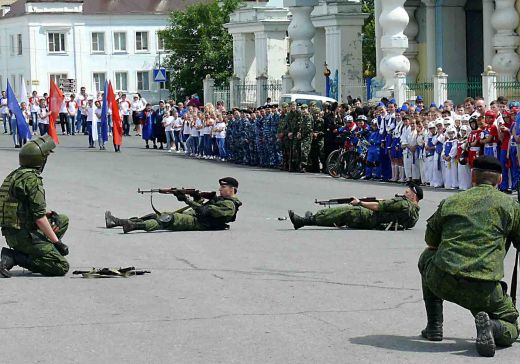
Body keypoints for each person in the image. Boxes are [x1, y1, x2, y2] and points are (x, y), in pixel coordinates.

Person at [418, 156, 519, 357]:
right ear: (499, 180)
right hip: (483, 289)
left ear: (473, 176)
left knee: (426, 257)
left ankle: (434, 326)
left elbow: (430, 241)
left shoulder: (451, 201)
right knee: (511, 327)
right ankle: (492, 326)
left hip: (442, 280)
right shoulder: (510, 207)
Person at [0, 135, 70, 278]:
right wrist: (57, 243)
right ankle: (16, 257)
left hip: (13, 232)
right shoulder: (32, 180)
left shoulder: (16, 174)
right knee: (61, 266)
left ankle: (35, 252)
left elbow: (21, 205)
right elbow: (39, 218)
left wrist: (49, 213)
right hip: (22, 235)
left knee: (62, 220)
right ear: (39, 160)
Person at [104, 177, 242, 233]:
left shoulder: (229, 206)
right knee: (155, 215)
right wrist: (196, 197)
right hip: (197, 218)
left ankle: (133, 226)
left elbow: (205, 211)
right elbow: (202, 206)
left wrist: (187, 200)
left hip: (201, 223)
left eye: (223, 188)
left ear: (232, 189)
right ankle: (117, 222)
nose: (220, 190)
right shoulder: (220, 199)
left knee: (167, 219)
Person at [288, 183, 422, 230]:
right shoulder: (415, 214)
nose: (404, 193)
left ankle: (303, 221)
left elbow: (378, 206)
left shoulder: (403, 203)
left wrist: (360, 203)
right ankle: (313, 218)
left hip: (369, 217)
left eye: (407, 192)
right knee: (340, 217)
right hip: (376, 223)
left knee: (343, 211)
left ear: (413, 196)